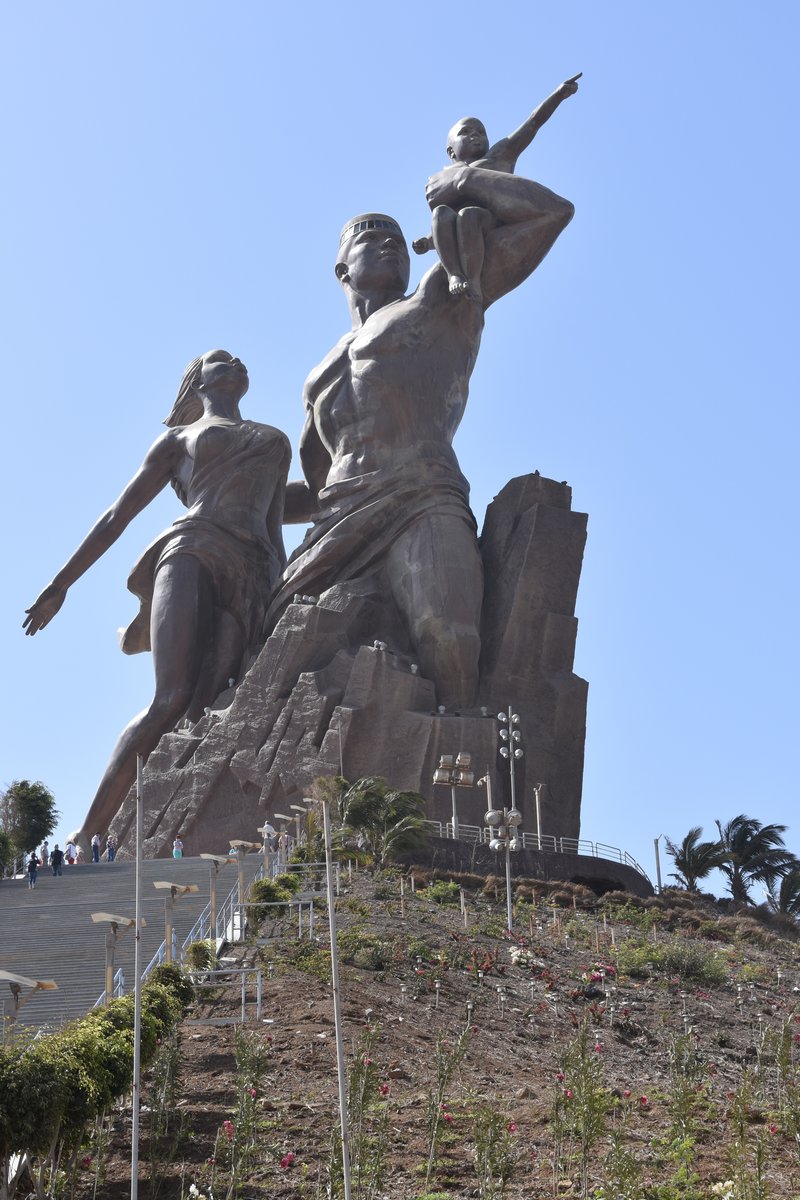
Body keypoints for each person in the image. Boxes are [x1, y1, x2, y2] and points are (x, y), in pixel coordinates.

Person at [267, 162, 574, 709]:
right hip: (336, 521)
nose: (390, 246)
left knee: (450, 639)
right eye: (370, 238)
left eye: (397, 240)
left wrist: (465, 182)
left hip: (422, 497)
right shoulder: (318, 376)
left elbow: (551, 212)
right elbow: (314, 486)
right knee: (269, 660)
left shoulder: (442, 299)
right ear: (342, 269)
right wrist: (235, 506)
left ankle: (468, 784)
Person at [24, 350, 291, 854]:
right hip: (192, 548)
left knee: (210, 703)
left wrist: (282, 585)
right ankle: (90, 831)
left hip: (254, 569)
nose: (236, 362)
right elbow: (116, 516)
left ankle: (181, 825)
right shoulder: (177, 441)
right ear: (197, 385)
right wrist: (62, 583)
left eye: (237, 359)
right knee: (170, 698)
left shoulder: (275, 441)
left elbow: (275, 523)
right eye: (220, 360)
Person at [413, 74, 580, 300]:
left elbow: (532, 124)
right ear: (451, 151)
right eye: (466, 132)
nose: (475, 135)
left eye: (480, 132)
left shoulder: (497, 157)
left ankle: (472, 281)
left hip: (487, 221)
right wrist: (428, 241)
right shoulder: (440, 179)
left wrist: (558, 95)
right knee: (441, 213)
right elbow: (445, 226)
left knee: (468, 215)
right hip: (456, 230)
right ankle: (455, 274)